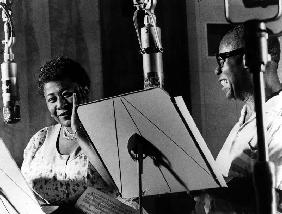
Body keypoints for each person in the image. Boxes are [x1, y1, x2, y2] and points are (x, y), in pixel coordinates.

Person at [20, 57, 133, 210]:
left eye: (66, 94)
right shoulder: (39, 140)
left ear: (84, 92)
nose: (60, 105)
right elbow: (23, 192)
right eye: (52, 99)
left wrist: (80, 133)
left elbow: (123, 188)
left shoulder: (111, 133)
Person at [195, 24, 282, 213]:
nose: (217, 72)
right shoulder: (248, 117)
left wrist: (209, 188)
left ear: (246, 59)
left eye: (221, 61)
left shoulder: (278, 119)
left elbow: (276, 199)